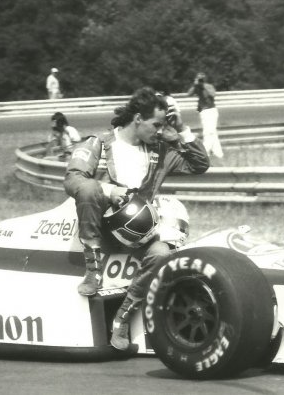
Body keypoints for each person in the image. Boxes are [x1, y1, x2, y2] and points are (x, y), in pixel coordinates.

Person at [63, 87, 210, 351]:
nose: (160, 130)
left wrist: (181, 130)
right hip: (102, 227)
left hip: (140, 232)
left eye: (163, 125)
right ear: (138, 119)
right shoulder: (99, 143)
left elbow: (200, 164)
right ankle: (93, 270)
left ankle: (123, 317)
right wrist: (109, 190)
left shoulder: (160, 151)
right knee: (89, 188)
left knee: (162, 253)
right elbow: (73, 179)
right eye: (156, 124)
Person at [186, 72, 224, 158]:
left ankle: (205, 153)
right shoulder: (196, 87)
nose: (200, 81)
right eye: (199, 79)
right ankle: (219, 153)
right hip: (203, 111)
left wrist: (204, 86)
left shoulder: (208, 86)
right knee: (212, 132)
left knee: (208, 132)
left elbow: (213, 94)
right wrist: (195, 85)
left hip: (211, 110)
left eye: (201, 79)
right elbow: (188, 94)